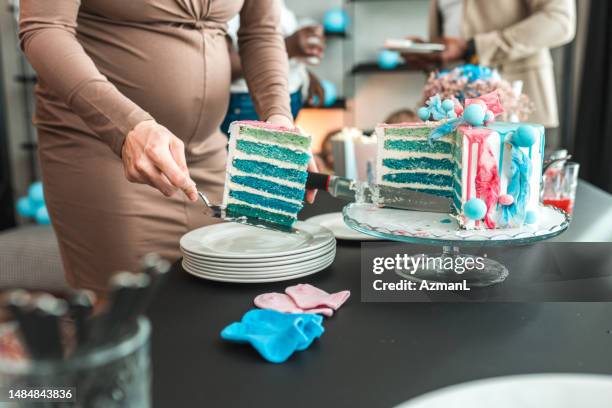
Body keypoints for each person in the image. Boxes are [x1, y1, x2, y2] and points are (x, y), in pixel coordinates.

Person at [19, 0, 316, 294]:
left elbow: (260, 32)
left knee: (222, 303)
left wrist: (279, 118)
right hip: (103, 149)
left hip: (209, 152)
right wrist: (127, 126)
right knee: (130, 315)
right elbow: (45, 28)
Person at [402, 0, 576, 128]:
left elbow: (559, 20)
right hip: (450, 114)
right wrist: (428, 54)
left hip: (513, 113)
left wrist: (474, 47)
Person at [221, 0, 326, 134]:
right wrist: (288, 46)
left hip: (285, 97)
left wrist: (305, 74)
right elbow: (219, 66)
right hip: (249, 102)